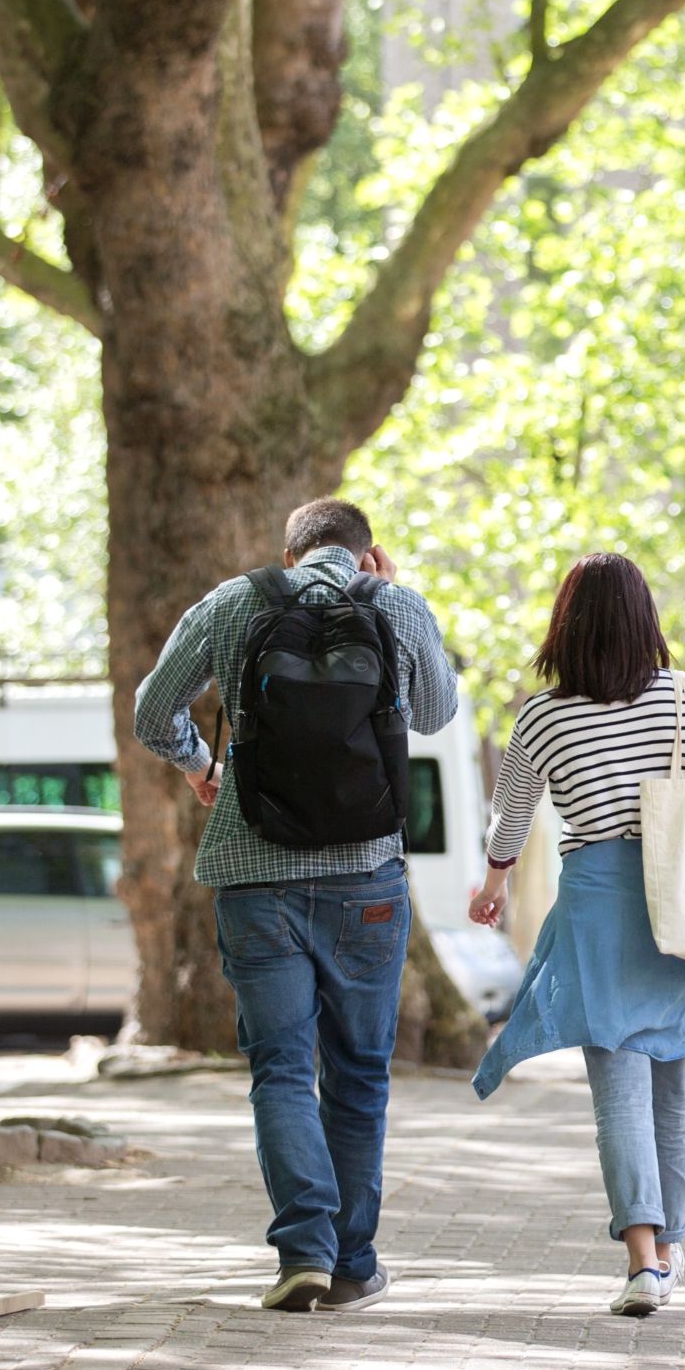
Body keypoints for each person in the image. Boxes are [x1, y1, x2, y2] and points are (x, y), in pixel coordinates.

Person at [134, 498, 458, 1314]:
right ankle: (352, 1263)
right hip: (366, 881)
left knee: (280, 1068)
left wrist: (202, 764)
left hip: (255, 872)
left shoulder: (237, 601)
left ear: (289, 552)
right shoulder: (396, 605)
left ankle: (301, 1255)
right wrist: (397, 598)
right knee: (359, 1075)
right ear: (366, 554)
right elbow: (436, 712)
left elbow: (151, 712)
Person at [467, 553, 685, 1318]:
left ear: (566, 622)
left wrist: (493, 885)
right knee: (674, 1092)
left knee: (618, 1091)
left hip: (600, 907)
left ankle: (644, 1259)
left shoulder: (542, 715)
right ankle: (669, 1252)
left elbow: (512, 818)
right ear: (645, 618)